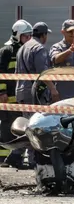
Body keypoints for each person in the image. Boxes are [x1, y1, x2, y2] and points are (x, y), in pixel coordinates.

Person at [15, 22, 57, 168]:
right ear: (44, 35)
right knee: (37, 126)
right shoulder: (39, 48)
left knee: (27, 126)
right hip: (33, 94)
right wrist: (53, 89)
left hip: (21, 91)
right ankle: (35, 160)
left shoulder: (22, 48)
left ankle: (19, 155)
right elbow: (42, 74)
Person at [0, 20, 33, 168]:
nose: (28, 39)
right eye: (25, 36)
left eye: (29, 36)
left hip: (19, 98)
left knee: (18, 127)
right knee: (6, 127)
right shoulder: (6, 51)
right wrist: (2, 92)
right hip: (7, 98)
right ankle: (3, 159)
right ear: (17, 35)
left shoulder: (25, 51)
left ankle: (15, 158)